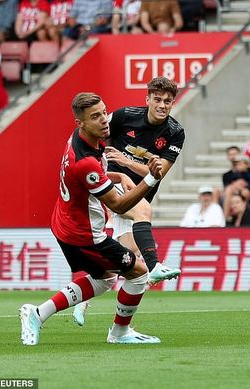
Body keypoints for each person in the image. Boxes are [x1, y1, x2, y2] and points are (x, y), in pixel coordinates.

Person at [20, 92, 165, 346]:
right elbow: (119, 204)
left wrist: (116, 176)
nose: (104, 120)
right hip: (86, 235)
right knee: (139, 273)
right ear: (81, 123)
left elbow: (95, 175)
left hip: (65, 222)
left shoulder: (80, 138)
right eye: (95, 117)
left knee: (106, 278)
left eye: (104, 112)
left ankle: (38, 314)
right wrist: (151, 179)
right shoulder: (85, 162)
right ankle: (119, 333)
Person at [71, 78, 186, 326]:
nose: (162, 105)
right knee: (143, 211)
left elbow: (158, 172)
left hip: (139, 190)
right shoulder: (125, 116)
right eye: (157, 100)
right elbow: (91, 130)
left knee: (126, 259)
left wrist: (126, 161)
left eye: (167, 101)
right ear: (148, 100)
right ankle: (155, 266)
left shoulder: (175, 133)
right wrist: (103, 164)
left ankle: (81, 297)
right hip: (112, 187)